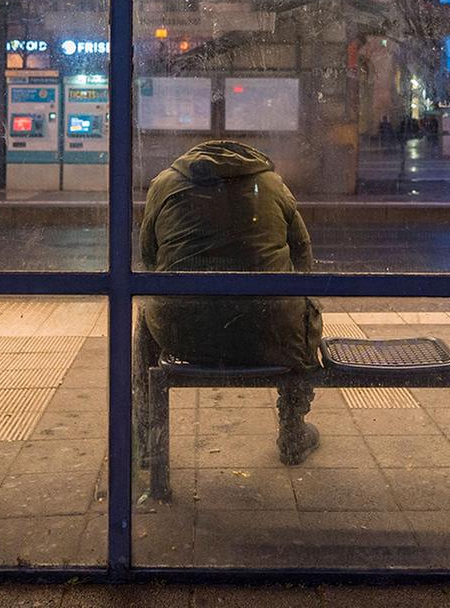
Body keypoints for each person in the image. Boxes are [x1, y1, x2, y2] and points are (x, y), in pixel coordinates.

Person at [137, 140, 323, 464]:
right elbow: (303, 256)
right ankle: (293, 431)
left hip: (183, 333)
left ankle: (147, 439)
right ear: (251, 159)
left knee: (147, 317)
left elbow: (149, 257)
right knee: (301, 311)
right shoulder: (271, 184)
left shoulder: (164, 184)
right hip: (266, 333)